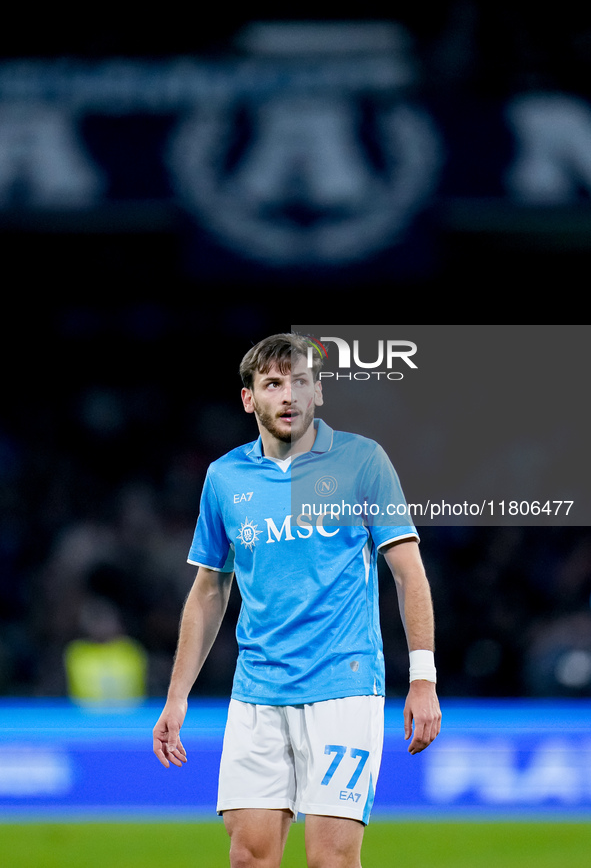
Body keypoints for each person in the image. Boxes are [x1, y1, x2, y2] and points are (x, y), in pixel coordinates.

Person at [153, 332, 441, 868]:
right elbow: (209, 589)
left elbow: (409, 574)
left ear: (319, 393)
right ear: (249, 398)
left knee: (330, 862)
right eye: (273, 384)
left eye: (301, 382)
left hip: (342, 685)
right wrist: (177, 696)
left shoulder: (361, 460)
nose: (289, 396)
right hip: (257, 691)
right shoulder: (224, 478)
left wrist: (422, 679)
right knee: (248, 858)